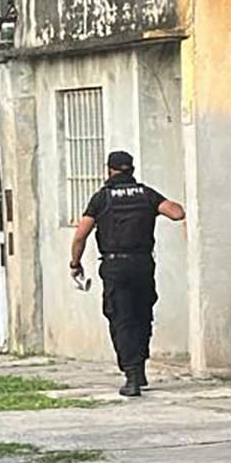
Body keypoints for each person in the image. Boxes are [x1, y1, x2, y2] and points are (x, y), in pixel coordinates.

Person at [69, 150, 186, 397]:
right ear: (131, 169)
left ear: (109, 169)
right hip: (143, 264)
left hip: (115, 266)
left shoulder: (102, 199)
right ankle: (140, 367)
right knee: (142, 315)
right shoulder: (146, 194)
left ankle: (132, 375)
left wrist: (75, 263)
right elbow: (177, 213)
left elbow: (81, 234)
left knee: (121, 318)